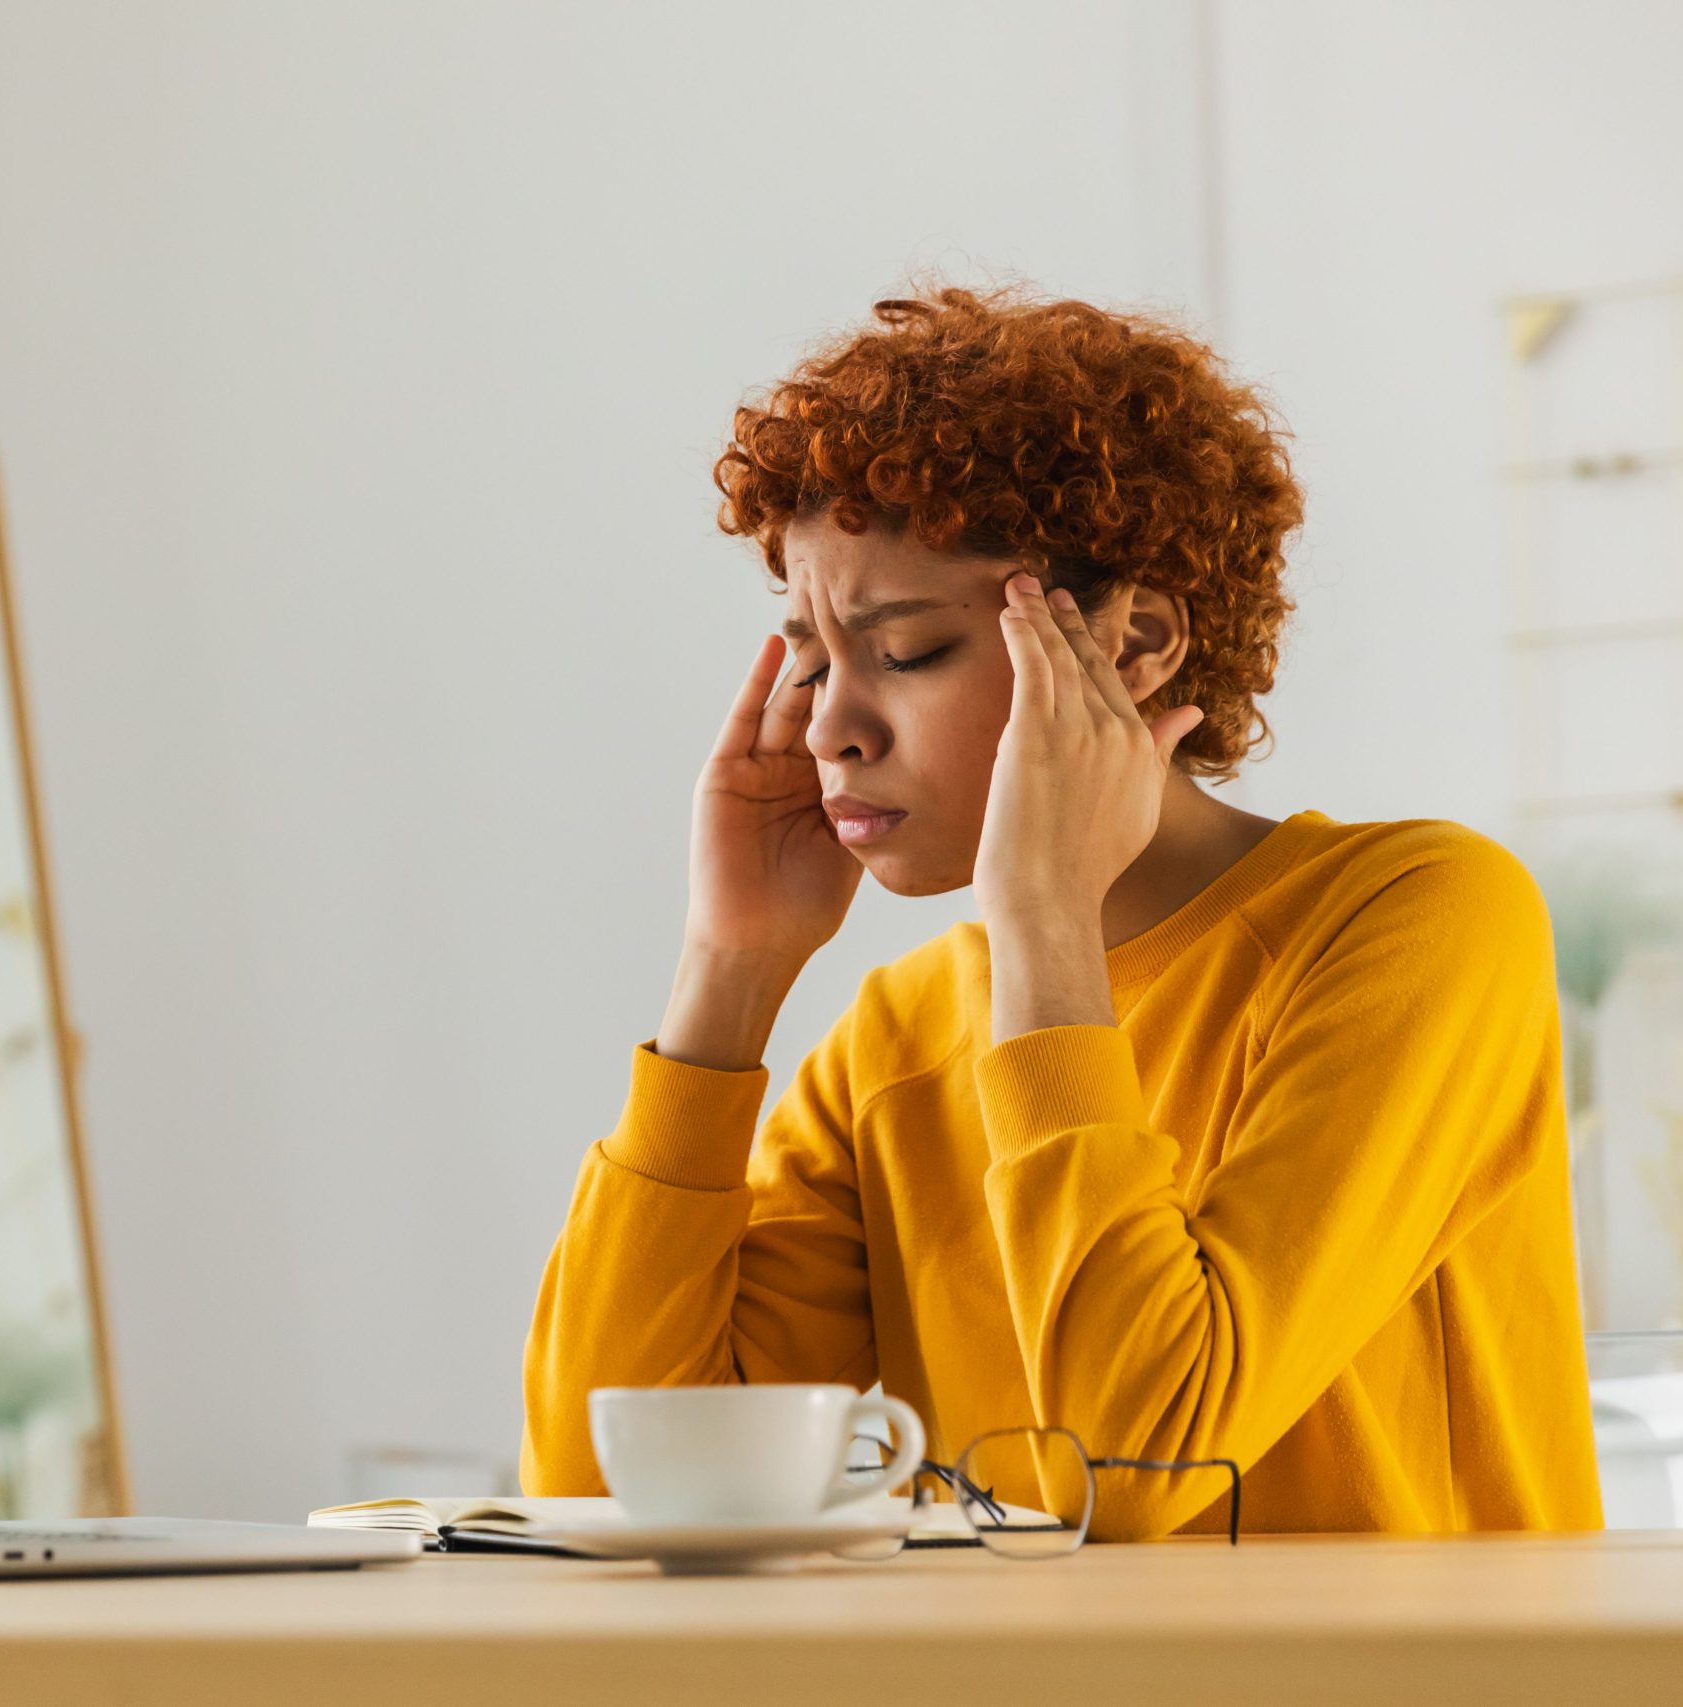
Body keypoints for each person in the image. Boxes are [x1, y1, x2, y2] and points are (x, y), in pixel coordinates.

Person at [520, 286, 1601, 1538]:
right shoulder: (896, 1038)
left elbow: (1140, 1463)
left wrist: (1043, 918)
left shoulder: (1416, 919)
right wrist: (728, 973)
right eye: (810, 659)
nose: (827, 726)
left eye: (907, 651)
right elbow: (613, 1493)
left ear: (1133, 642)